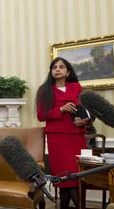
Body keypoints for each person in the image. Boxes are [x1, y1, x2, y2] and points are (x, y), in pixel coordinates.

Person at [36, 57, 89, 209]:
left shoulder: (77, 87)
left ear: (68, 71)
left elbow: (86, 112)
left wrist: (84, 121)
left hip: (76, 136)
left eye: (61, 67)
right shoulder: (44, 90)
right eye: (54, 67)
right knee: (64, 176)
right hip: (57, 138)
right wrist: (61, 109)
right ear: (51, 71)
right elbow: (41, 116)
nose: (57, 69)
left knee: (74, 175)